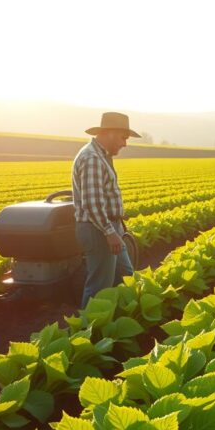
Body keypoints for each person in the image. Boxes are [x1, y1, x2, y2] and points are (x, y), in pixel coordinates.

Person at [72, 112, 140, 308]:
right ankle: (88, 331)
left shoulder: (101, 155)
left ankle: (117, 322)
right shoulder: (92, 158)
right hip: (99, 230)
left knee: (126, 276)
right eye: (123, 138)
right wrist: (110, 232)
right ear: (110, 133)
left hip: (110, 227)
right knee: (99, 287)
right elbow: (92, 204)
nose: (125, 143)